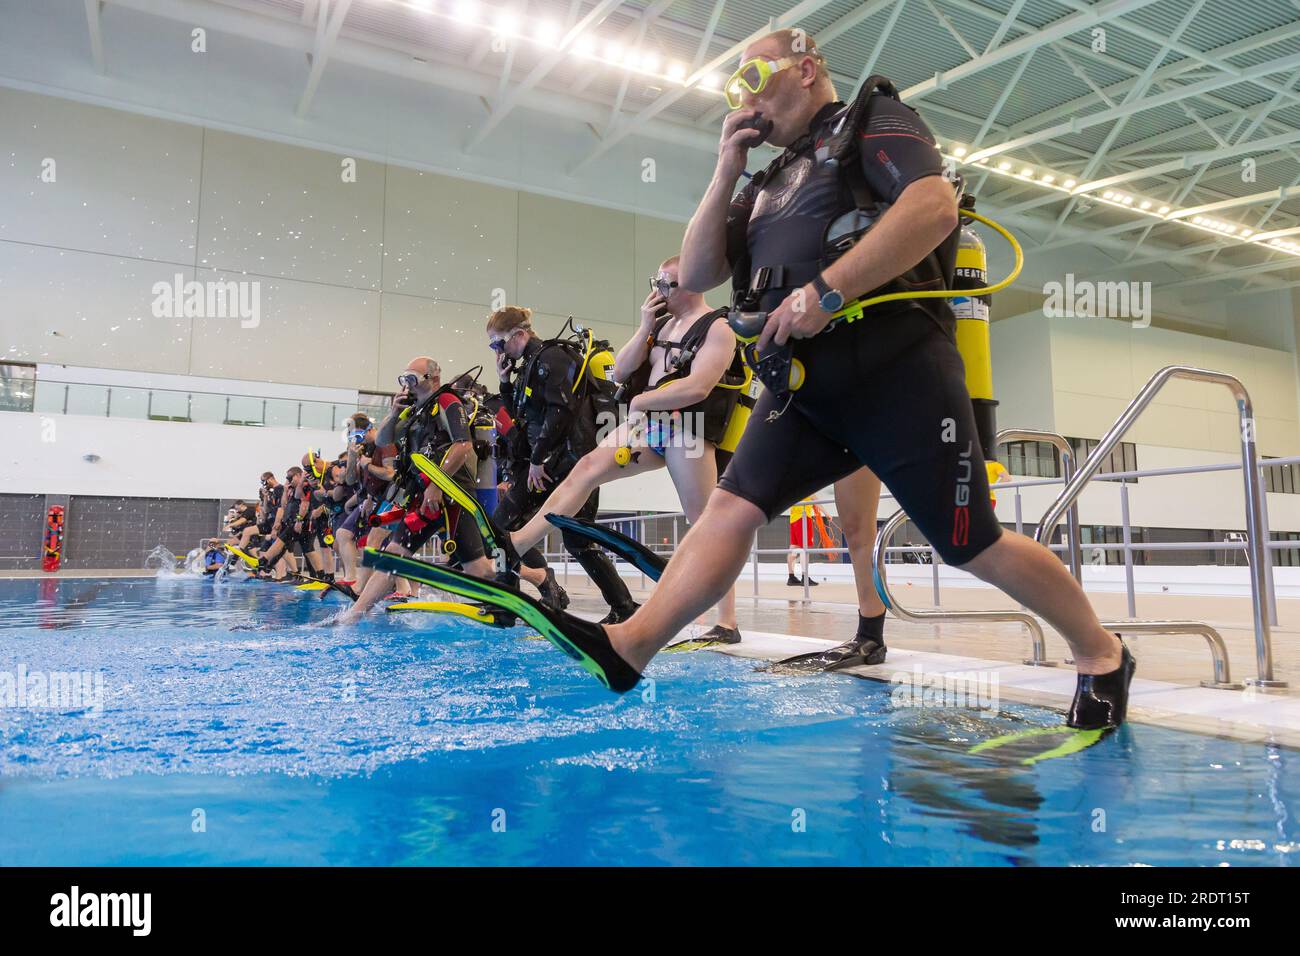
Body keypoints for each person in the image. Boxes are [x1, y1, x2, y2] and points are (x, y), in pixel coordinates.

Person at [441, 29, 1132, 731]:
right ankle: (631, 646)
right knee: (729, 509)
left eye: (753, 78)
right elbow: (703, 270)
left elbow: (933, 208)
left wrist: (826, 291)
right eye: (731, 89)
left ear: (805, 71)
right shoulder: (763, 182)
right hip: (805, 388)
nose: (743, 98)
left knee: (968, 541)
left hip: (897, 371)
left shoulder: (871, 121)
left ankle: (1101, 653)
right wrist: (723, 170)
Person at [498, 257, 747, 644]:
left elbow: (699, 386)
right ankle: (517, 544)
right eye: (657, 282)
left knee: (704, 523)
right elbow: (619, 371)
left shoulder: (719, 328)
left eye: (666, 284)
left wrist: (644, 401)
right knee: (586, 468)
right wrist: (646, 326)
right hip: (648, 426)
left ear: (693, 284)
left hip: (688, 430)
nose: (658, 291)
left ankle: (727, 623)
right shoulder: (662, 325)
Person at [489, 306, 640, 624]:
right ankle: (506, 606)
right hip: (546, 467)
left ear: (519, 334)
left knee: (577, 539)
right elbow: (519, 419)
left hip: (570, 465)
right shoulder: (529, 366)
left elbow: (562, 411)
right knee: (504, 526)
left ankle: (624, 608)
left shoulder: (553, 357)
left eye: (498, 344)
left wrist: (537, 458)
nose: (497, 352)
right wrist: (504, 381)